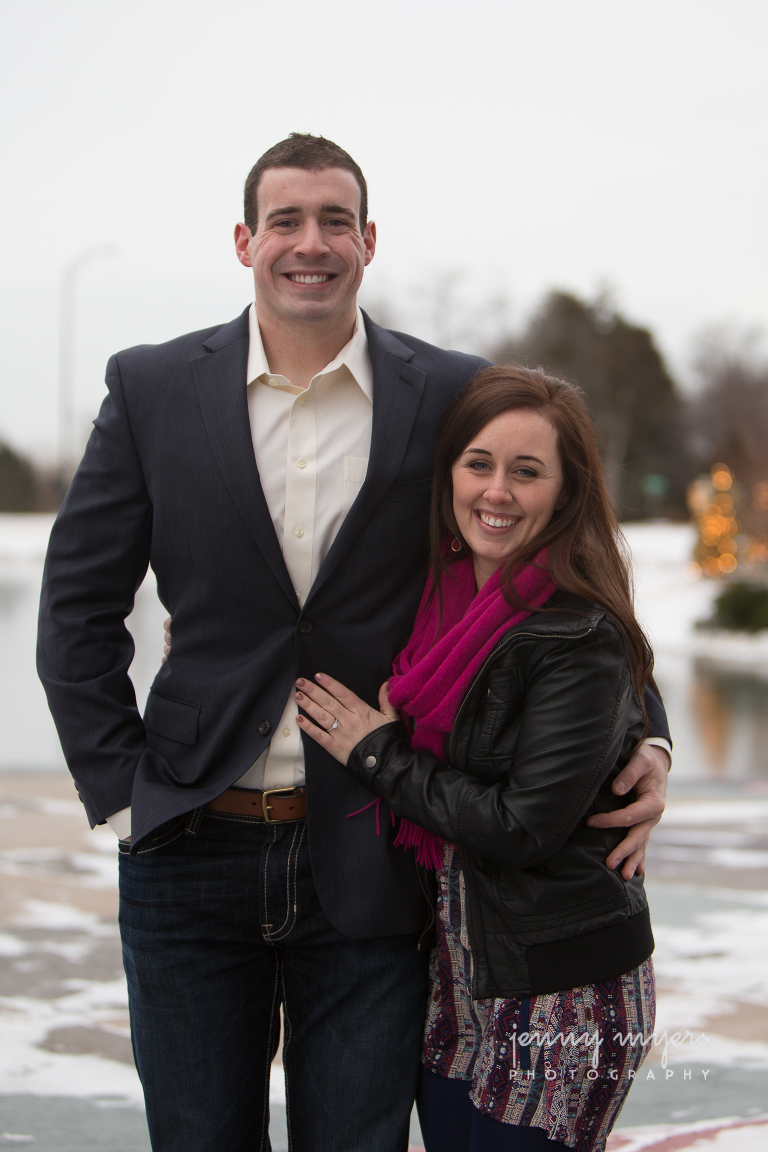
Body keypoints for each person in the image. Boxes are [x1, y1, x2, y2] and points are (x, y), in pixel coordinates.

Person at [37, 134, 669, 1152]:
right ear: (245, 241)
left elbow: (557, 563)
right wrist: (121, 791)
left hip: (370, 847)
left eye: (335, 220)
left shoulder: (448, 392)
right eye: (285, 220)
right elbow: (76, 607)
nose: (310, 242)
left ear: (369, 241)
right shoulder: (154, 390)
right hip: (191, 848)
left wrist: (642, 732)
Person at [295, 365, 659, 1151]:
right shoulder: (436, 596)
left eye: (527, 472)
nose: (497, 491)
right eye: (479, 465)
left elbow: (523, 825)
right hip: (458, 983)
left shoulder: (579, 633)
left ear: (565, 492)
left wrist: (376, 754)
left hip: (562, 987)